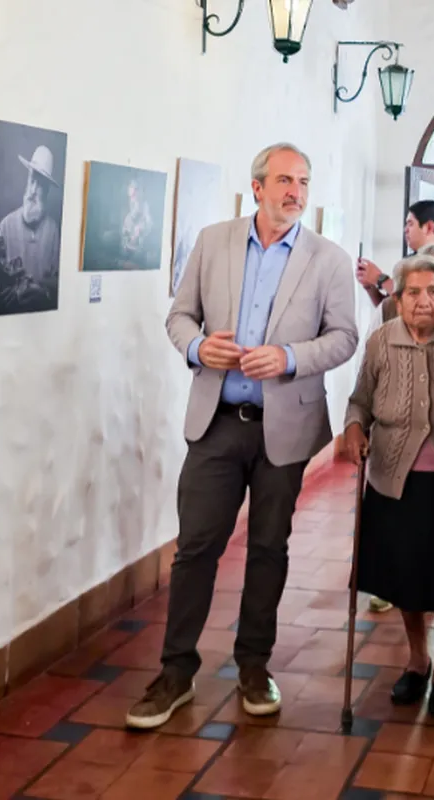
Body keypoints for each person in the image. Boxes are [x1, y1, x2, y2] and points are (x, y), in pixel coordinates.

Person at [126, 143, 358, 728]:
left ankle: (254, 666)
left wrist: (286, 358)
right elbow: (179, 317)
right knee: (197, 547)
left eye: (304, 182)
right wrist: (199, 347)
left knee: (269, 549)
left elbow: (344, 338)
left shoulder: (328, 258)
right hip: (217, 424)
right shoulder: (214, 241)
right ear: (257, 187)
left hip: (286, 428)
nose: (296, 193)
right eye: (284, 180)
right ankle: (176, 672)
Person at [342, 256, 434, 718]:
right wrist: (353, 428)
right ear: (398, 297)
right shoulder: (381, 342)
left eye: (433, 292)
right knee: (405, 576)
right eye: (413, 292)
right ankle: (416, 658)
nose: (423, 301)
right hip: (394, 478)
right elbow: (360, 400)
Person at [0, 144, 63, 315]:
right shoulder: (6, 226)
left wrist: (44, 293)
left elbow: (61, 284)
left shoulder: (53, 231)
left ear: (47, 191)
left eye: (40, 184)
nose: (33, 190)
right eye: (32, 180)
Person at [356, 200, 434, 305]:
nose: (405, 230)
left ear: (429, 227)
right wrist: (370, 286)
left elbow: (427, 303)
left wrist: (380, 279)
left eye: (410, 224)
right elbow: (392, 310)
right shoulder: (409, 261)